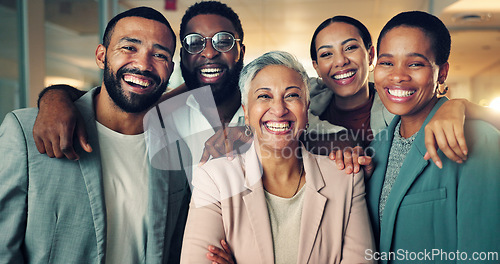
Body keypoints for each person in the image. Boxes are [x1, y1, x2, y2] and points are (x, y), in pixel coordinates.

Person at [0, 7, 190, 263]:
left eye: (159, 54)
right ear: (101, 56)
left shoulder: (180, 151)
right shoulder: (25, 131)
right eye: (129, 48)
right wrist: (54, 96)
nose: (143, 65)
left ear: (170, 68)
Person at [180, 51, 375, 264]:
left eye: (291, 95)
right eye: (264, 96)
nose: (279, 109)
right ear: (246, 112)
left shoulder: (345, 178)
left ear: (306, 108)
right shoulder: (214, 178)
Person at [365, 11, 500, 263]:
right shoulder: (375, 148)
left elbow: (484, 252)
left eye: (415, 63)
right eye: (386, 63)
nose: (397, 75)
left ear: (442, 73)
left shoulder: (479, 139)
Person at [309, 15, 500, 170]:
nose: (340, 61)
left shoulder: (402, 108)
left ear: (370, 55)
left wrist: (460, 104)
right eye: (326, 54)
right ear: (316, 67)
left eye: (350, 48)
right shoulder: (304, 110)